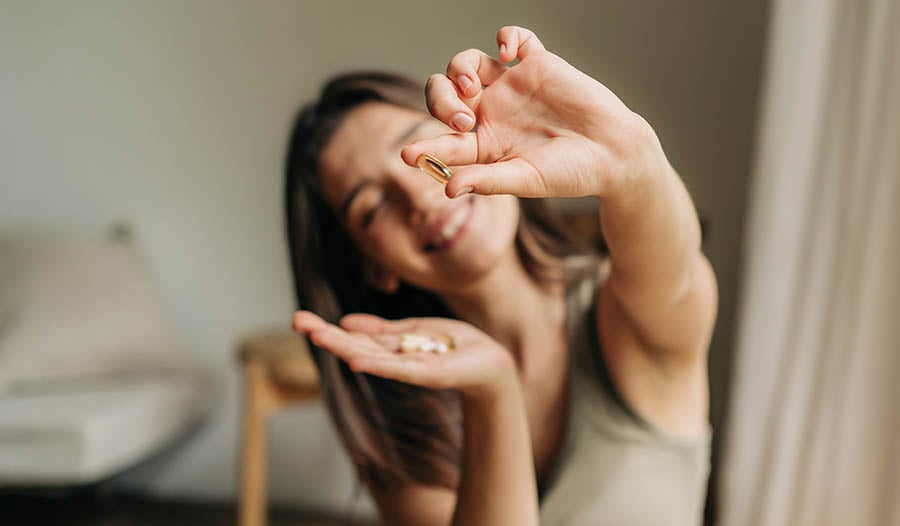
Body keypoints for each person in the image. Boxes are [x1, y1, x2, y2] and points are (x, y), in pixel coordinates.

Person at [286, 26, 717, 526]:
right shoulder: (402, 412)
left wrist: (630, 156)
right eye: (373, 206)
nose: (418, 197)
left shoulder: (624, 312)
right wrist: (493, 390)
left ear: (471, 130)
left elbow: (679, 273)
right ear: (372, 266)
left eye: (420, 150)